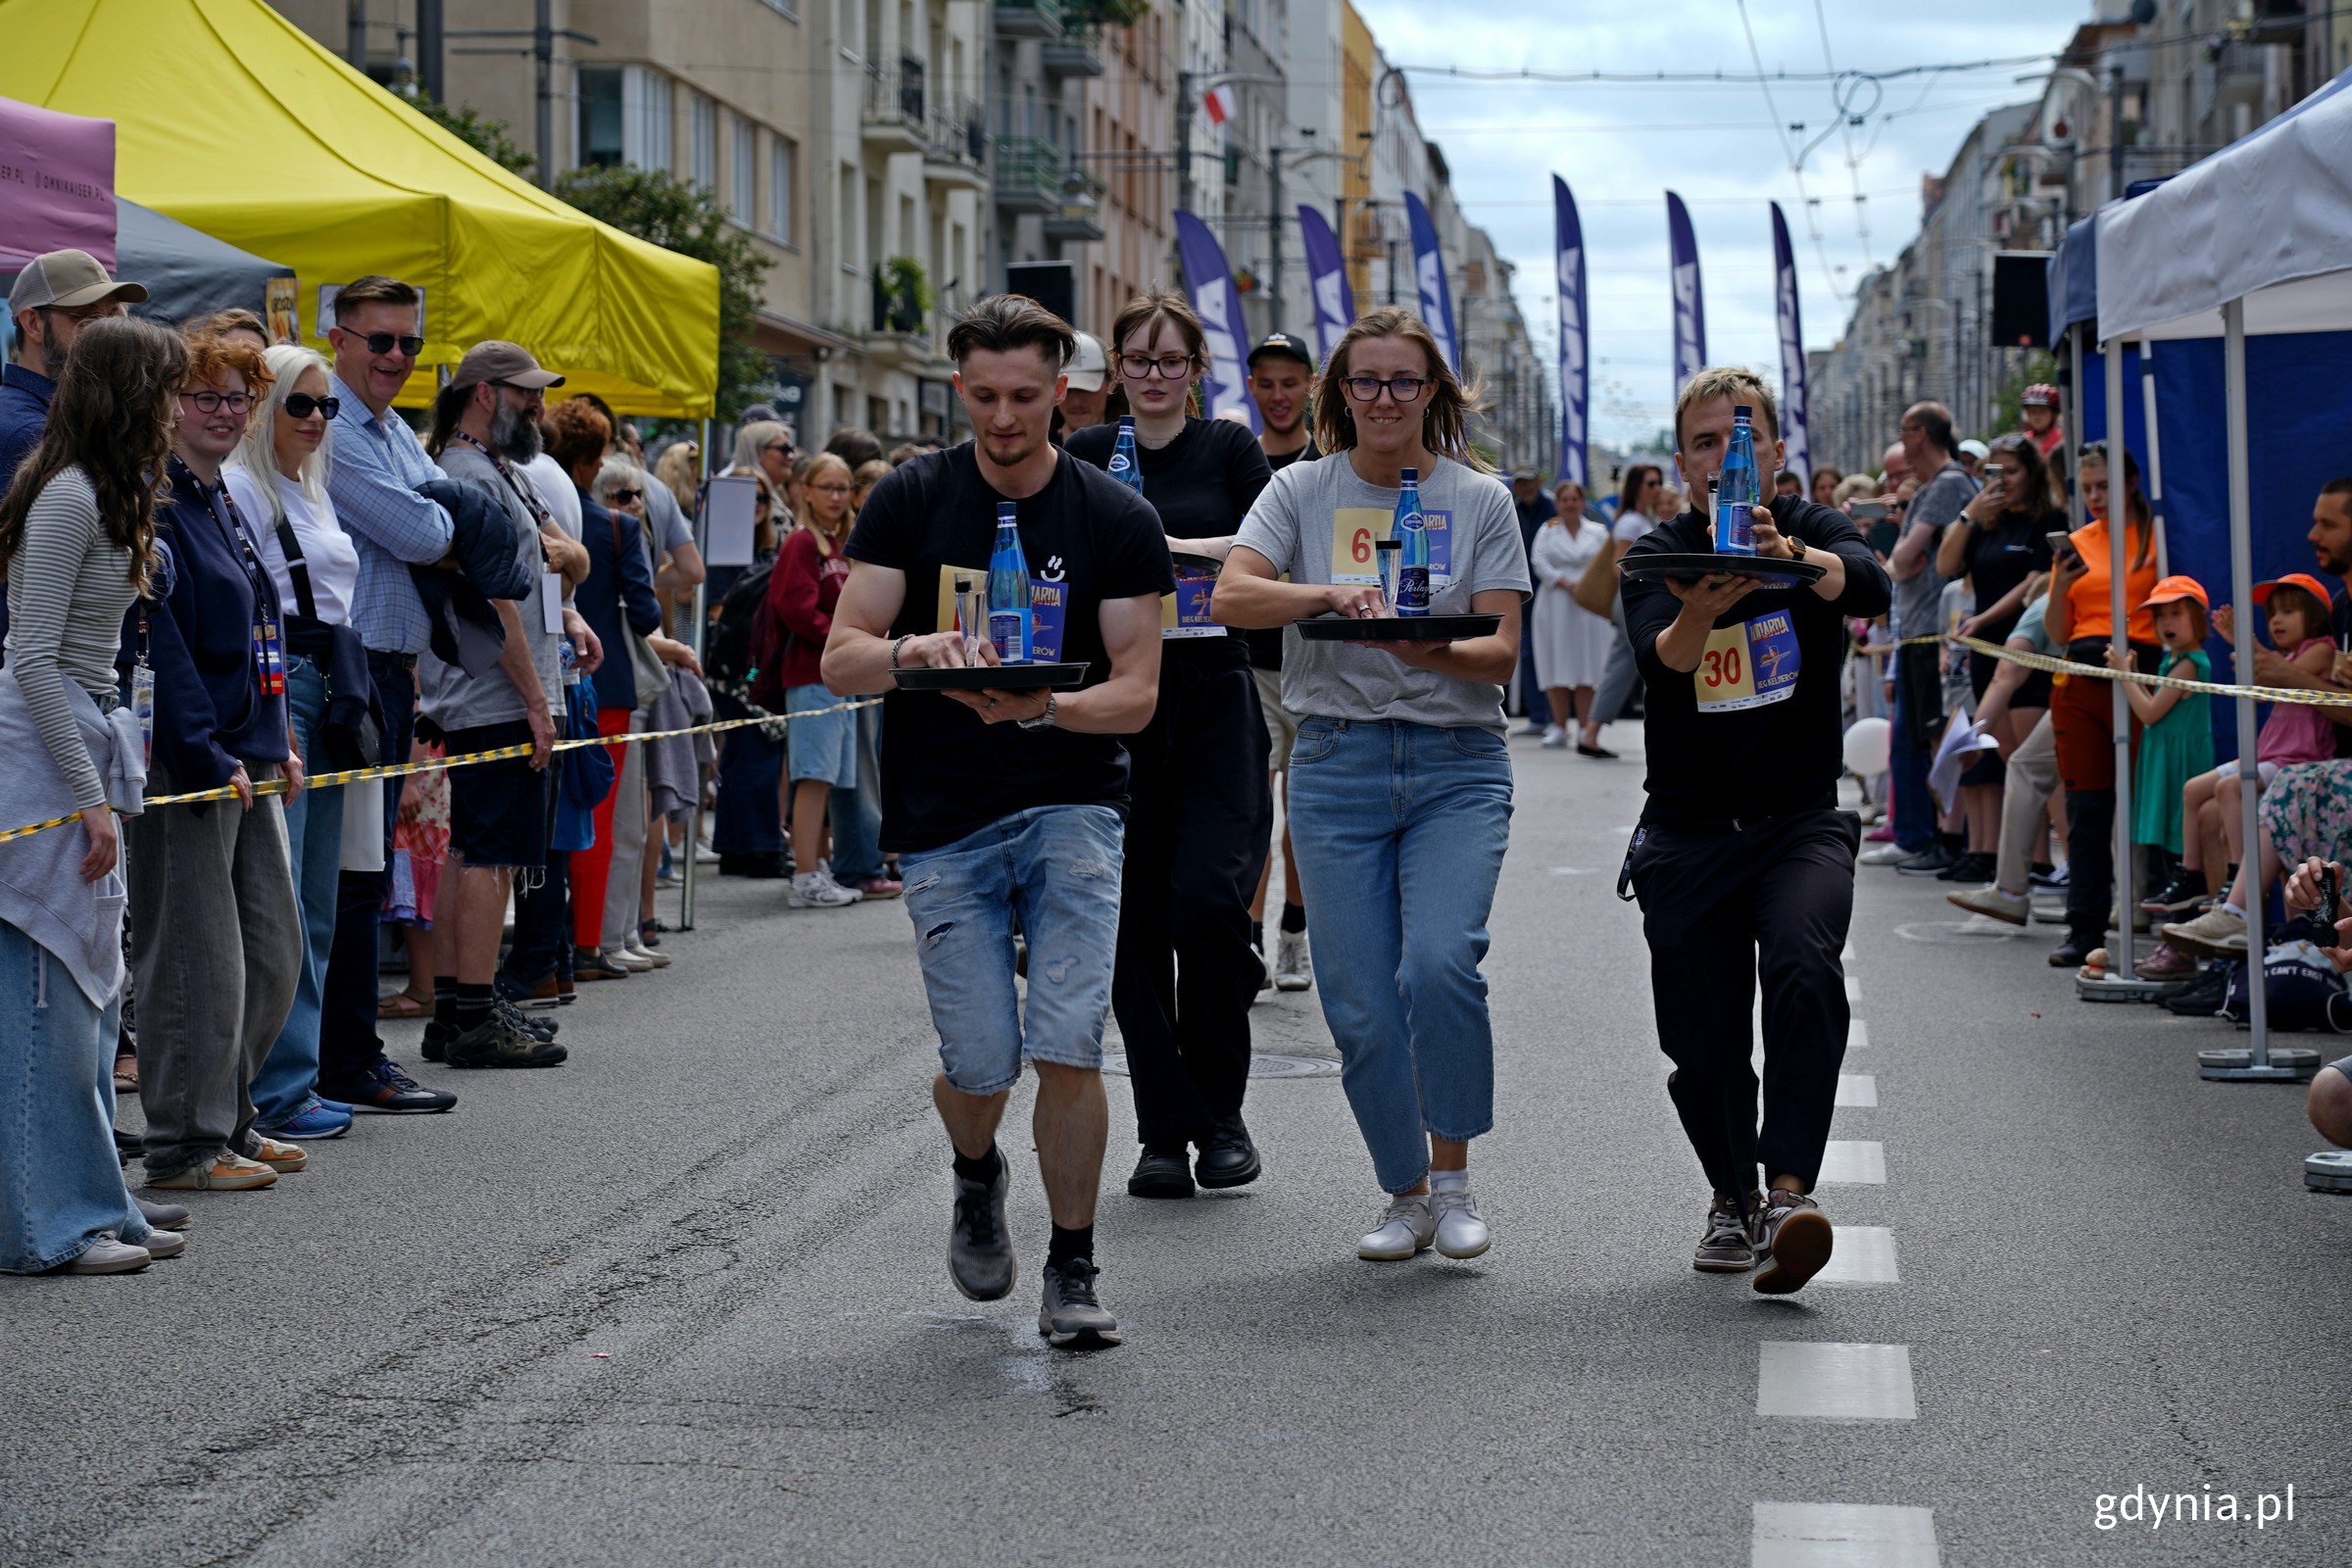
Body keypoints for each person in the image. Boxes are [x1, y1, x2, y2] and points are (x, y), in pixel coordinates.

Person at [820, 292, 1171, 1348]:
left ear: (1063, 389)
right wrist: (910, 654)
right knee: (980, 1062)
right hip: (942, 815)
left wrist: (1046, 707)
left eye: (1026, 397)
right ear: (958, 387)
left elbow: (1138, 692)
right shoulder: (912, 500)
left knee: (1068, 1041)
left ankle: (1073, 1265)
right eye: (983, 396)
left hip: (1072, 801)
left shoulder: (1114, 516)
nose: (1005, 418)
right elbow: (841, 656)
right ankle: (978, 1170)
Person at [1215, 304, 1531, 1263]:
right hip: (1337, 761)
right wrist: (1324, 595)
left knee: (1438, 964)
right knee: (1357, 1003)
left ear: (1432, 393)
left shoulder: (1479, 500)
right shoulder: (1302, 490)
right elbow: (1232, 593)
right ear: (1337, 394)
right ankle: (1404, 1192)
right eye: (1365, 381)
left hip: (1454, 762)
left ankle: (1455, 1178)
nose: (1384, 398)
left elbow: (1501, 650)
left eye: (1404, 381)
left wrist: (1418, 639)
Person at [1619, 366, 1891, 1295]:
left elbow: (1869, 584)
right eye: (1704, 441)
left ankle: (1787, 1194)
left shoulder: (1810, 529)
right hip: (1690, 832)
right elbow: (1666, 664)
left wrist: (1794, 563)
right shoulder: (1659, 550)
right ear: (1686, 461)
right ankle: (1731, 1195)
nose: (1722, 455)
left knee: (1805, 967)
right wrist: (1703, 604)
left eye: (1741, 437)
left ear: (1774, 451)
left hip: (1799, 824)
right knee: (1702, 1049)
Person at [1064, 290, 1276, 1200]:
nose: (1154, 377)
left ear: (1196, 371)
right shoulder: (1083, 455)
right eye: (1139, 361)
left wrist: (1166, 543)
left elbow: (1267, 549)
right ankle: (1167, 1129)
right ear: (1117, 369)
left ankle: (1220, 1109)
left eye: (1172, 362)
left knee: (1210, 906)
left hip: (1213, 693)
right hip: (1116, 698)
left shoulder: (1227, 448)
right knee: (1132, 921)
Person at [0, 315, 185, 1272]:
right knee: (49, 1003)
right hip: (42, 748)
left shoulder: (97, 489)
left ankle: (97, 1205)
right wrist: (87, 797)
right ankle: (47, 1227)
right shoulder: (69, 494)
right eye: (166, 389)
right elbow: (30, 657)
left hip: (77, 732)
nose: (177, 409)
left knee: (91, 1002)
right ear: (129, 395)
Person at [129, 327, 305, 1192]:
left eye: (240, 398)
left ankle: (229, 1117)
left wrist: (280, 736)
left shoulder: (220, 498)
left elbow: (260, 628)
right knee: (195, 955)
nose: (226, 413)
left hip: (249, 753)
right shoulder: (158, 502)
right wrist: (203, 750)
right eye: (207, 397)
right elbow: (161, 646)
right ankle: (184, 1145)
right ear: (168, 406)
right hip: (193, 762)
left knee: (273, 951)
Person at [315, 276, 462, 1115]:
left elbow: (440, 508)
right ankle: (340, 1062)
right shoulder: (336, 422)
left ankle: (348, 1059)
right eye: (381, 342)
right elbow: (428, 526)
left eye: (410, 344)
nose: (398, 359)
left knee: (360, 873)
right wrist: (442, 518)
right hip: (352, 668)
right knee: (344, 878)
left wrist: (442, 514)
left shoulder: (391, 427)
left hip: (389, 670)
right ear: (339, 340)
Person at [416, 342, 580, 1068]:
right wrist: (536, 699)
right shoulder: (471, 475)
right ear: (484, 394)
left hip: (488, 691)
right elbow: (497, 596)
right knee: (491, 855)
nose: (540, 406)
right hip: (494, 694)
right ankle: (475, 1016)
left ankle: (459, 1006)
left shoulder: (490, 471)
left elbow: (552, 562)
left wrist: (569, 606)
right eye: (527, 394)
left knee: (471, 851)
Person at [224, 345, 363, 1141]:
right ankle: (272, 1087)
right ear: (265, 406)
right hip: (283, 690)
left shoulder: (307, 485)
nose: (316, 418)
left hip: (329, 686)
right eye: (300, 404)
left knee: (315, 899)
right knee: (278, 901)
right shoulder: (246, 486)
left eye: (324, 406)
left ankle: (291, 1080)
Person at [2163, 480, 2352, 959]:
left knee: (2286, 787)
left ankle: (2265, 929)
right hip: (2328, 776)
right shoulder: (2344, 608)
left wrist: (2282, 672)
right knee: (2210, 810)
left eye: (2328, 524)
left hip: (2316, 769)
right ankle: (2234, 952)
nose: (2312, 534)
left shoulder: (2317, 646)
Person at [2149, 575, 2335, 918]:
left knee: (2230, 788)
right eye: (2273, 614)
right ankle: (2191, 874)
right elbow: (2261, 676)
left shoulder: (2322, 648)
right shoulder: (2286, 655)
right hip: (2271, 754)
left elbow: (2275, 675)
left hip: (2295, 758)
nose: (2277, 620)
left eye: (2289, 611)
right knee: (2193, 790)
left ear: (2314, 615)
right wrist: (2246, 647)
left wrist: (2243, 643)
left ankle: (2239, 874)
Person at [2044, 442, 2161, 967]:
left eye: (2104, 485)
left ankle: (2165, 924)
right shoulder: (2077, 543)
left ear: (2132, 483)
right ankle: (2084, 929)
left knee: (2152, 802)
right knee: (2087, 810)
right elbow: (2057, 631)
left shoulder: (2158, 536)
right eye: (2086, 487)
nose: (2093, 497)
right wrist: (2058, 587)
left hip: (2144, 668)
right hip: (2082, 673)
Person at [1932, 433, 2060, 885]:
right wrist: (1969, 515)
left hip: (2030, 649)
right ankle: (2032, 863)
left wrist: (1982, 619)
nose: (2003, 482)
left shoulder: (2048, 520)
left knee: (2038, 763)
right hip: (1987, 654)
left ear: (2032, 473)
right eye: (1995, 473)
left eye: (2013, 472)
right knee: (2012, 762)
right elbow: (1946, 566)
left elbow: (2032, 585)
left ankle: (2062, 865)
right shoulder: (1987, 522)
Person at [1243, 331, 1319, 994]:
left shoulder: (1331, 463)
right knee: (1252, 808)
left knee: (1305, 810)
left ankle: (1295, 929)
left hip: (1316, 660)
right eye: (1265, 382)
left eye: (1289, 381)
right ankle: (1250, 938)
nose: (1277, 395)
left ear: (1310, 387)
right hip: (1251, 660)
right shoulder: (1239, 462)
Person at [1873, 402, 1977, 876]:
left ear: (1923, 434)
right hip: (1919, 630)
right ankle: (1926, 834)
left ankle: (1934, 836)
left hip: (1934, 630)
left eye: (1905, 430)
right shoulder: (1940, 486)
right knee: (1918, 740)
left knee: (1929, 740)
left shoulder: (1949, 484)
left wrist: (1886, 566)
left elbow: (1905, 558)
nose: (1901, 441)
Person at [764, 450, 865, 909]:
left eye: (842, 488)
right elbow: (796, 608)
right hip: (811, 674)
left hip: (840, 678)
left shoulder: (841, 543)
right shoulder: (802, 543)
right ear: (806, 491)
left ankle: (816, 863)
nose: (836, 496)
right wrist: (848, 640)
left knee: (829, 778)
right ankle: (804, 874)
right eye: (827, 487)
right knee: (812, 776)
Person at [1587, 463, 1666, 755]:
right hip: (1634, 600)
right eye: (1650, 483)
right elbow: (1618, 565)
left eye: (1658, 482)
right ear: (1636, 487)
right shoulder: (1632, 522)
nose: (1656, 488)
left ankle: (1591, 732)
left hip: (1636, 600)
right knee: (1640, 664)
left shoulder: (1639, 520)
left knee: (1625, 665)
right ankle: (1593, 732)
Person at [1529, 479, 1612, 752]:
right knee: (1557, 661)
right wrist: (1564, 581)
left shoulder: (1598, 531)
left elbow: (1605, 564)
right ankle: (1560, 726)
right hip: (1555, 602)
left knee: (1587, 663)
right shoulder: (1547, 530)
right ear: (1557, 504)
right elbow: (1538, 561)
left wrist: (1587, 585)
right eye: (1564, 499)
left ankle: (1586, 728)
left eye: (1575, 499)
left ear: (1583, 502)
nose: (1570, 504)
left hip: (1589, 604)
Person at [1508, 466, 1558, 735]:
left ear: (1539, 481)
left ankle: (1557, 717)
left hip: (1550, 590)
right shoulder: (1512, 508)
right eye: (1519, 483)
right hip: (1521, 592)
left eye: (1528, 482)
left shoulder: (1553, 507)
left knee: (1552, 652)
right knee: (1526, 653)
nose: (1524, 487)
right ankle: (1539, 716)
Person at [1056, 331, 1111, 436]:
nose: (1076, 402)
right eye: (1067, 390)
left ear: (1111, 384)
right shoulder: (1037, 449)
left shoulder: (1128, 447)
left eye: (1085, 390)